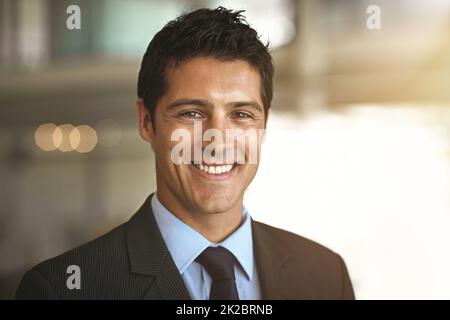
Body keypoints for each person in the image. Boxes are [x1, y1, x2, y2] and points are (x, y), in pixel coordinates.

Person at [16, 7, 354, 300]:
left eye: (241, 114)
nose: (218, 140)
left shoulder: (325, 275)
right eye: (192, 113)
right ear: (146, 122)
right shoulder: (64, 289)